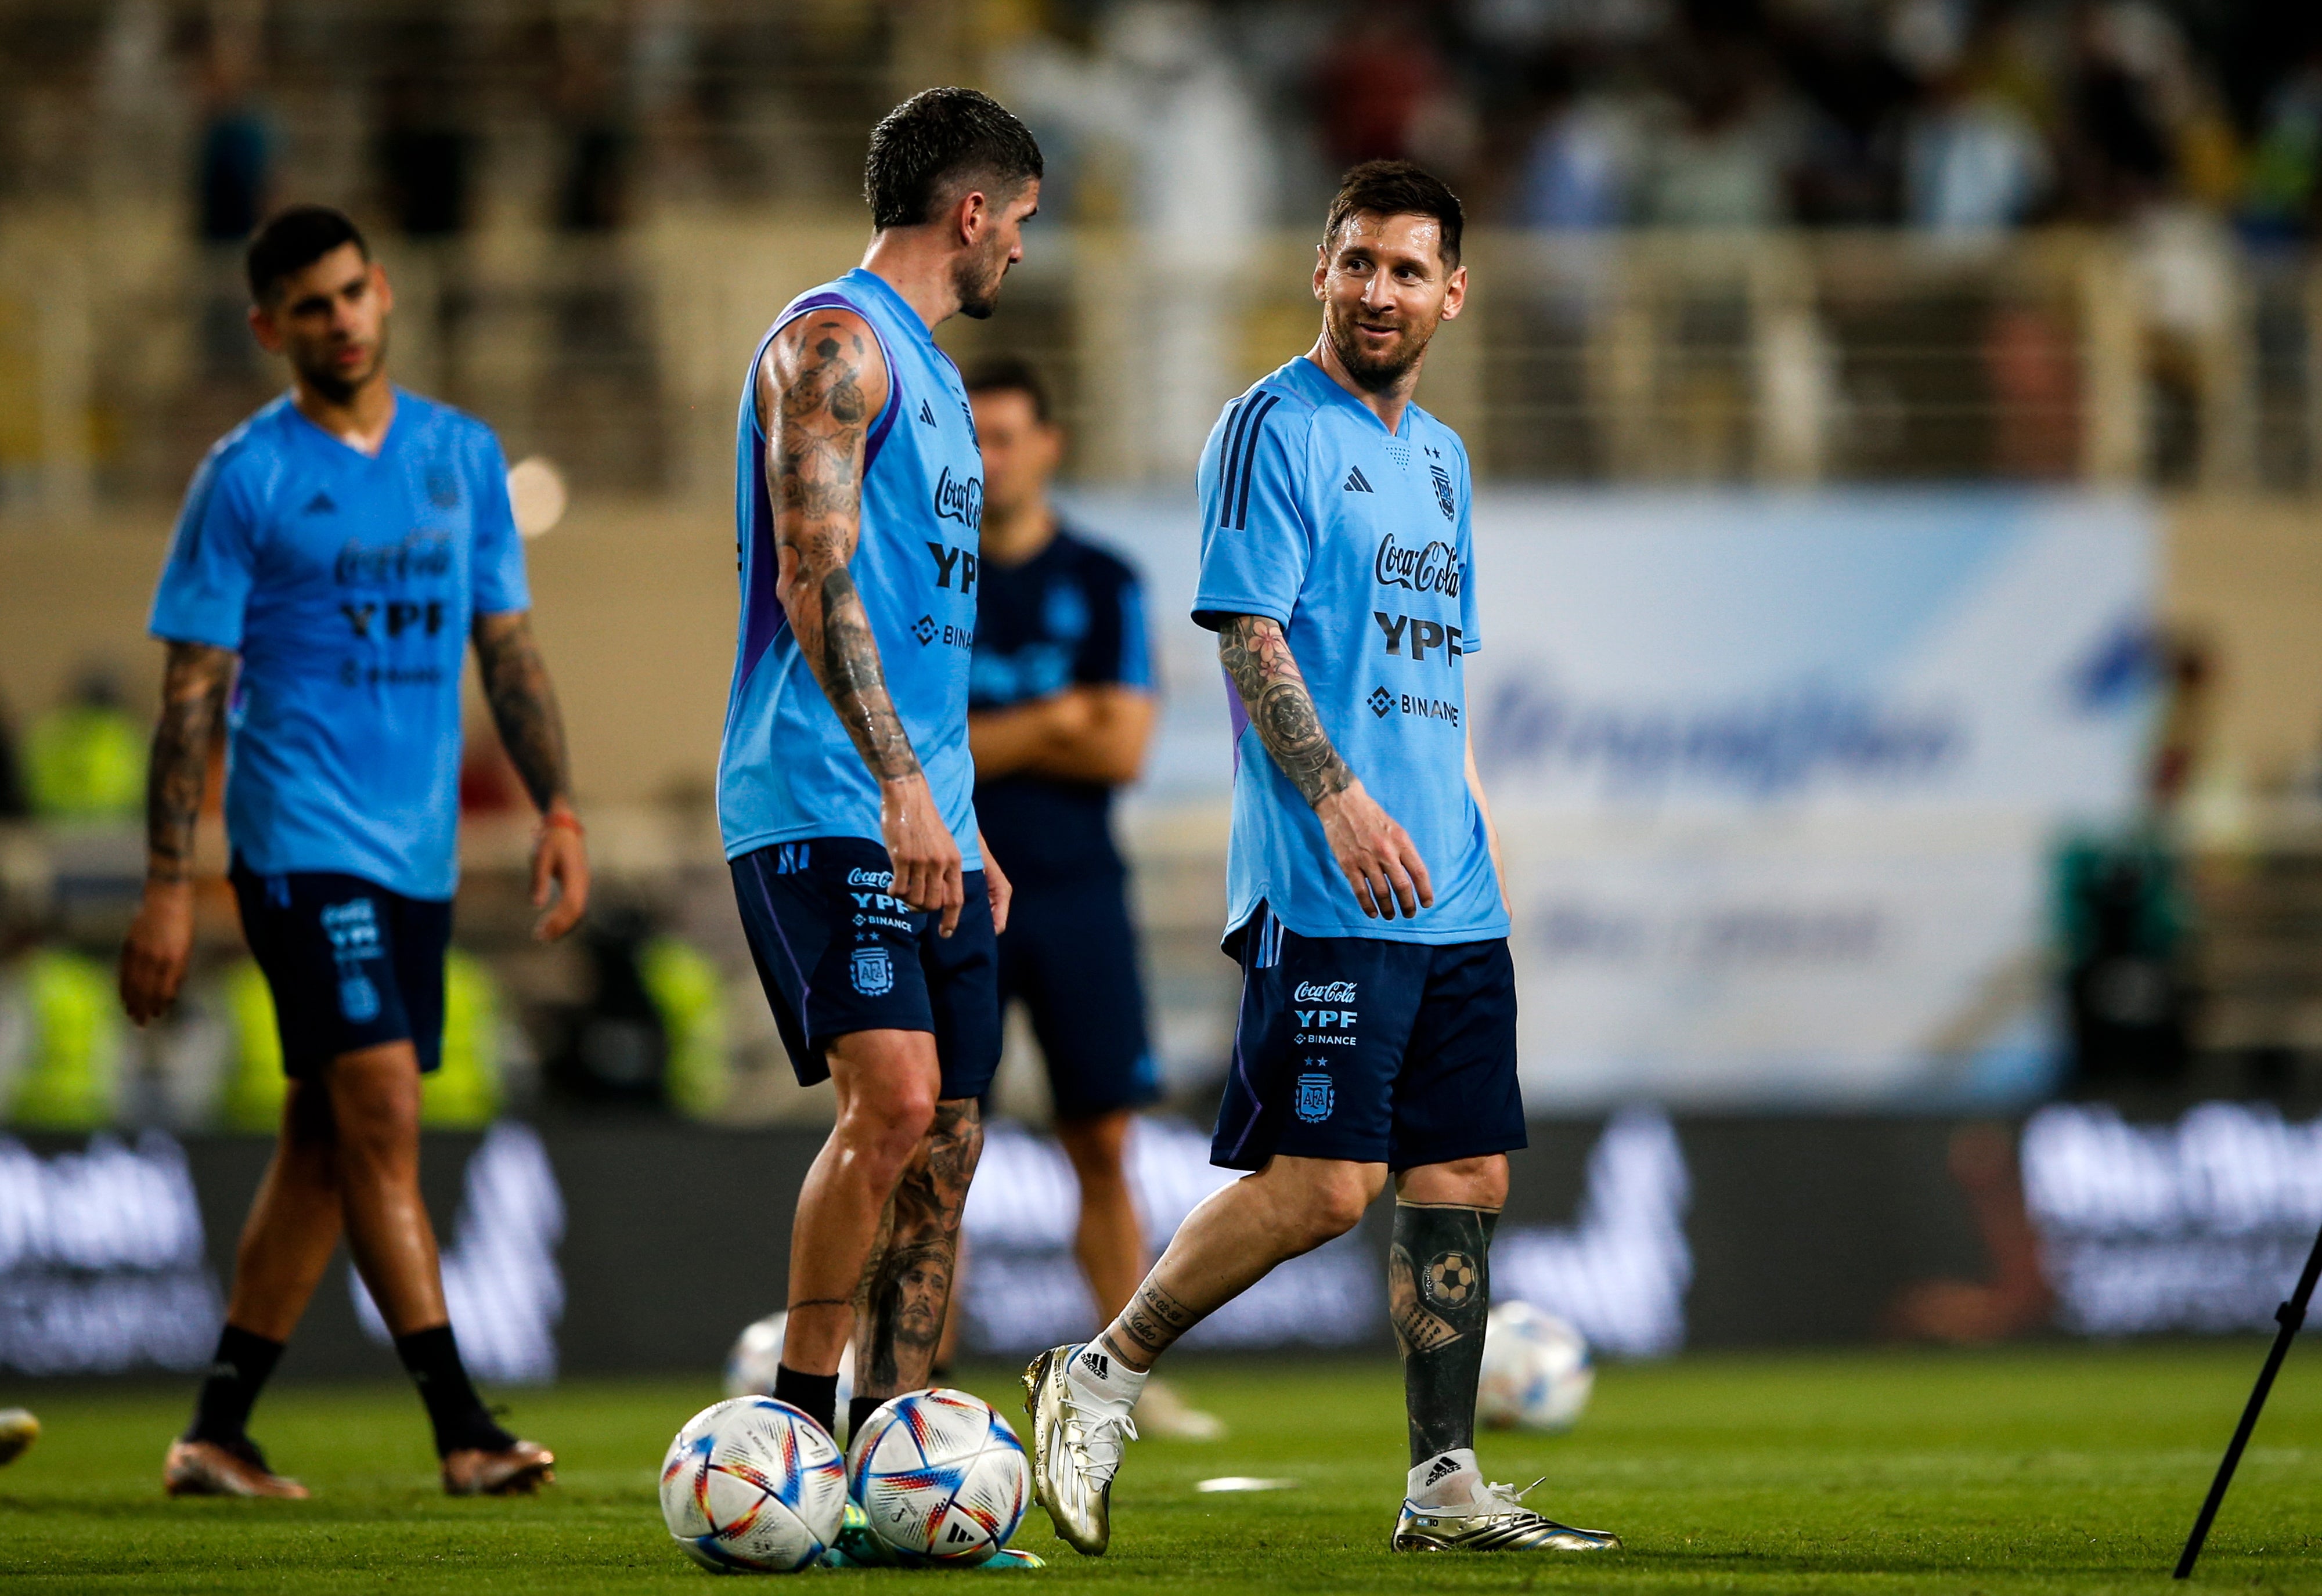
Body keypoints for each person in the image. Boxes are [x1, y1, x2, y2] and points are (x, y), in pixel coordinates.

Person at [1024, 161, 1621, 1557]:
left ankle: (1442, 1487)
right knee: (1324, 1185)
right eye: (1356, 262)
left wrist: (1480, 843)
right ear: (1318, 270)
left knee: (1463, 1173)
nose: (1378, 291)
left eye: (1407, 270)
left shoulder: (1441, 458)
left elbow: (1440, 681)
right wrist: (1343, 802)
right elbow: (1247, 633)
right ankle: (1098, 1373)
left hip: (1448, 884)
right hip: (1324, 870)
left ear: (1451, 295)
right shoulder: (1268, 427)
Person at [120, 204, 589, 1499]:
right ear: (269, 328)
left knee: (326, 1140)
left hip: (417, 855)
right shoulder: (246, 476)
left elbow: (508, 648)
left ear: (384, 293)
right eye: (307, 307)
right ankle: (462, 1423)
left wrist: (557, 808)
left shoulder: (463, 456)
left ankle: (218, 1428)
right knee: (381, 1104)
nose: (337, 320)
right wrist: (169, 887)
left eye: (351, 294)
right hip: (298, 838)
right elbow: (190, 697)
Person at [717, 89, 1037, 1455]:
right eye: (1017, 224)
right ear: (969, 213)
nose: (1017, 251)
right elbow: (814, 574)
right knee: (895, 1098)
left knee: (948, 1146)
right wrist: (903, 783)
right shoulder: (834, 346)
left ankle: (897, 1459)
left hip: (933, 817)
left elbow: (924, 624)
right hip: (822, 795)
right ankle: (791, 1432)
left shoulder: (943, 379)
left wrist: (959, 813)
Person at [954, 356, 1222, 1439]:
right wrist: (1051, 721)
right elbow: (914, 752)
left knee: (1102, 1142)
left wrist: (987, 742)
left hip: (1075, 897)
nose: (988, 457)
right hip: (955, 890)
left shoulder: (1104, 577)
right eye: (972, 439)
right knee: (938, 1142)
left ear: (1049, 445)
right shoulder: (929, 573)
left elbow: (1122, 745)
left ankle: (1120, 1385)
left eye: (1007, 436)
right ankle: (918, 1378)